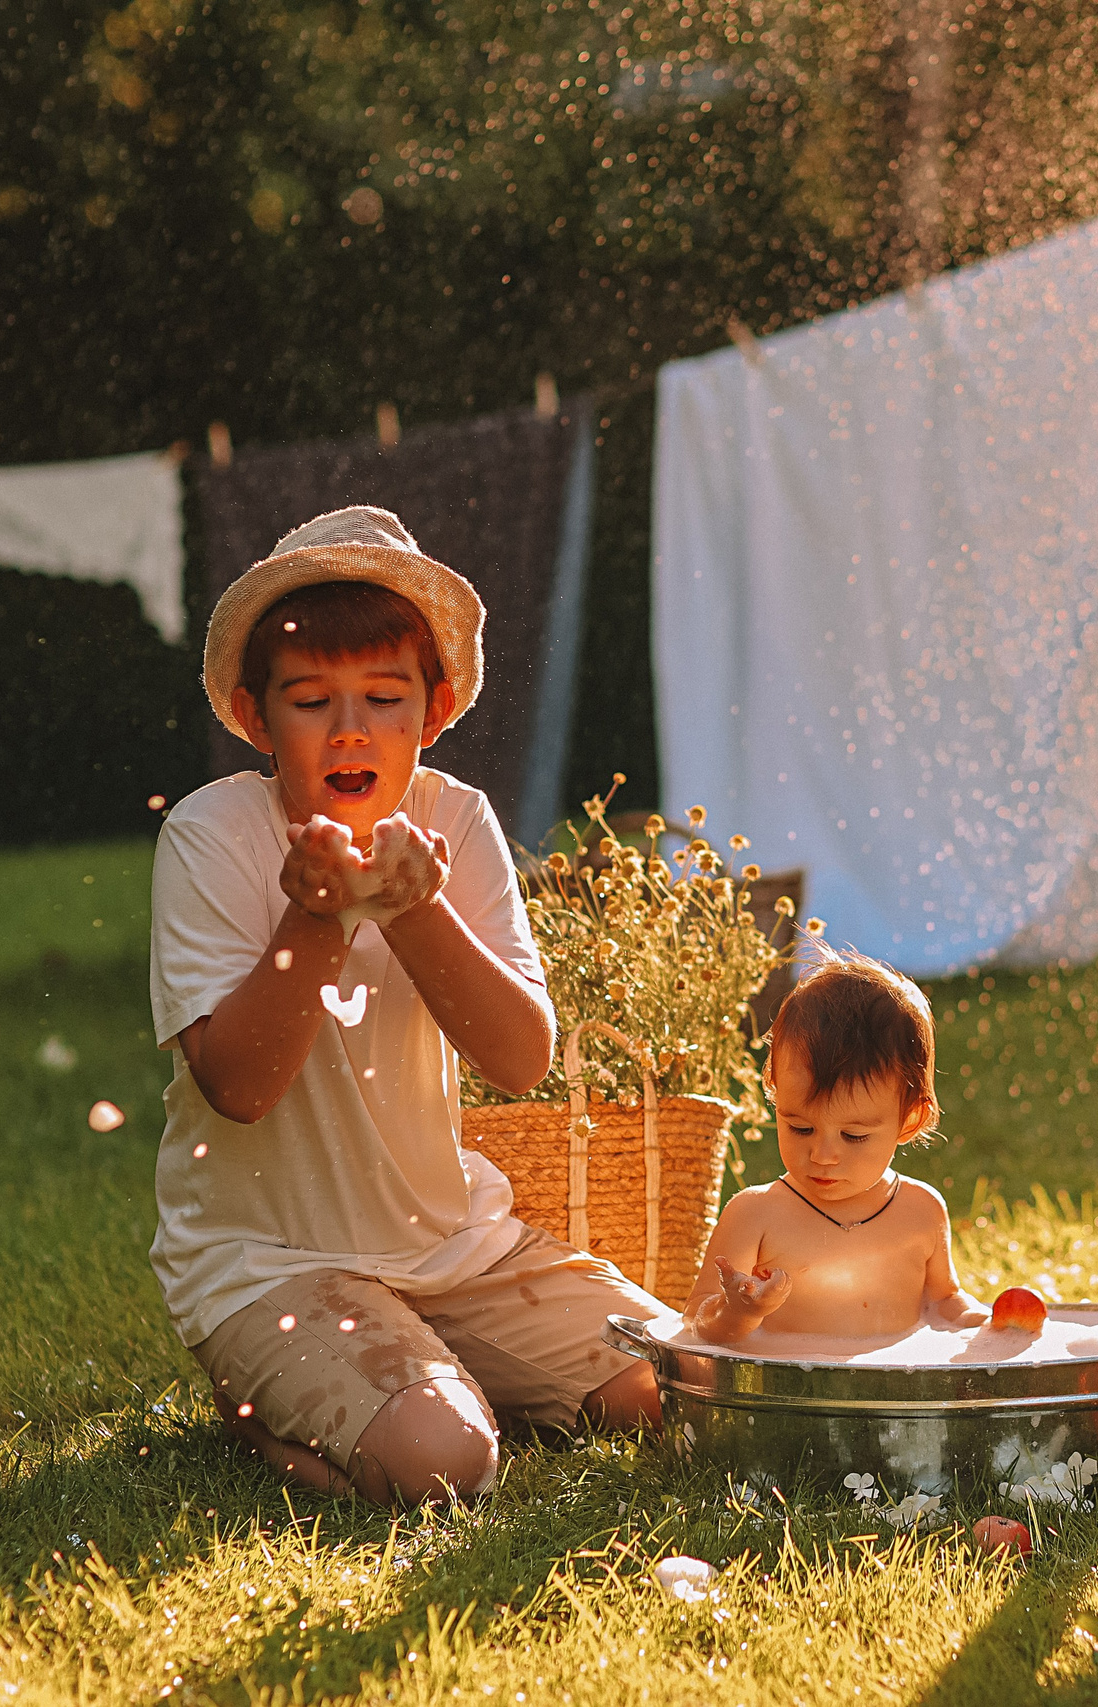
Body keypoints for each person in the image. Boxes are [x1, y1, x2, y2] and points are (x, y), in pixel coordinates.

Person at [147, 506, 661, 1508]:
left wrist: (414, 906)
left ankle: (427, 1380)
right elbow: (240, 1088)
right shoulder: (214, 836)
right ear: (254, 718)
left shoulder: (453, 818)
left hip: (454, 1247)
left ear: (432, 714)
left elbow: (520, 1058)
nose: (350, 729)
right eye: (311, 701)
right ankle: (290, 1413)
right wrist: (318, 915)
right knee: (444, 1462)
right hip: (271, 1266)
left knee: (673, 1391)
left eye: (384, 699)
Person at [681, 952, 987, 1343]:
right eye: (800, 1127)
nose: (822, 1156)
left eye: (854, 1136)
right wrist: (738, 1313)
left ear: (909, 1120)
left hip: (896, 1398)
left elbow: (945, 1300)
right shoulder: (755, 1216)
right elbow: (695, 1326)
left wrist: (982, 1324)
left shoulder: (921, 1211)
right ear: (775, 1096)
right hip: (783, 1396)